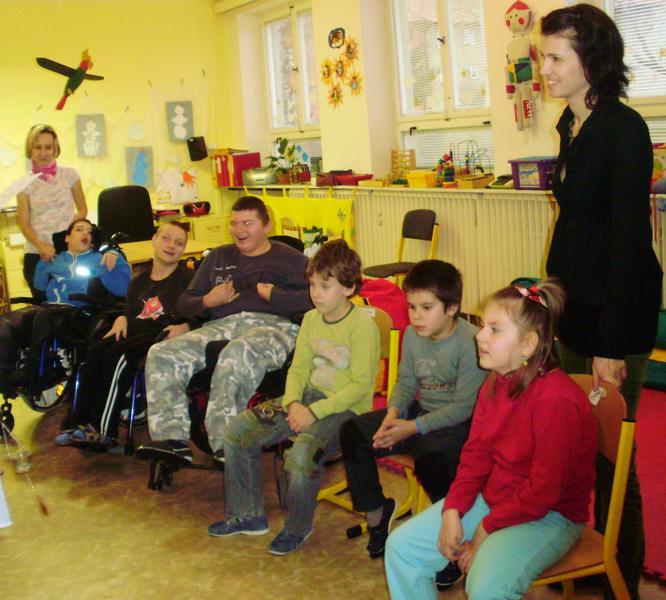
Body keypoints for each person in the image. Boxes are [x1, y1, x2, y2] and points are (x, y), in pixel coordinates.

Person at [540, 5, 662, 597]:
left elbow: (628, 245)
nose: (545, 68)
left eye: (555, 57)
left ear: (592, 59)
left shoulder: (624, 129)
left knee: (614, 462)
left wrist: (611, 346)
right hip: (575, 312)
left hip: (617, 318)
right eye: (543, 56)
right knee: (580, 447)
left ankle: (622, 583)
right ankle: (590, 560)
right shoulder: (571, 123)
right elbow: (578, 224)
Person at [384, 280, 598, 600]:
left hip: (551, 516)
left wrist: (486, 527)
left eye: (494, 330)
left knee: (485, 587)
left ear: (528, 344)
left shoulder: (557, 401)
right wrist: (453, 509)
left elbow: (544, 492)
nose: (480, 336)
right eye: (483, 326)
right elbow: (475, 455)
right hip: (496, 499)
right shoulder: (495, 382)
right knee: (402, 548)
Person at [207, 239, 380, 555]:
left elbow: (359, 387)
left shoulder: (362, 327)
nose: (316, 293)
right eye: (312, 284)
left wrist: (313, 413)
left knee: (300, 457)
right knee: (238, 431)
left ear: (349, 287)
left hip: (346, 410)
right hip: (306, 400)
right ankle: (247, 515)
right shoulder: (311, 319)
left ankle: (298, 528)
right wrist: (293, 403)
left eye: (325, 286)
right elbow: (298, 368)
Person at [136, 196, 312, 465]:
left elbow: (319, 297)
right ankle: (172, 440)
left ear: (267, 226)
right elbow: (185, 303)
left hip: (273, 326)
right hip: (221, 325)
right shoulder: (218, 256)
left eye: (247, 223)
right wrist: (208, 301)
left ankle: (226, 445)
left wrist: (276, 296)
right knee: (161, 353)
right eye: (234, 223)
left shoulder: (291, 259)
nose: (239, 230)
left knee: (236, 352)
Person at [339, 260, 485, 575]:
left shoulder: (471, 342)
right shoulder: (412, 334)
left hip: (458, 425)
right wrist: (392, 415)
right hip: (420, 414)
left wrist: (410, 428)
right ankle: (378, 515)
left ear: (451, 308)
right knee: (353, 433)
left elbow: (463, 407)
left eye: (426, 308)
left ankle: (455, 542)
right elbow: (405, 383)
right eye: (412, 307)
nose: (416, 316)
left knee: (432, 463)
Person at [54, 222, 194, 449]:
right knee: (95, 351)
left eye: (179, 243)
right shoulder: (139, 280)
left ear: (183, 249)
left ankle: (102, 430)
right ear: (154, 239)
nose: (171, 245)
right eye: (166, 238)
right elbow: (128, 311)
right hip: (135, 330)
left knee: (119, 355)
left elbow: (203, 312)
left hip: (161, 334)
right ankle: (76, 423)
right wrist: (121, 317)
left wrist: (187, 326)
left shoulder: (188, 279)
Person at [0, 218, 130, 389]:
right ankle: (6, 374)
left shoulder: (98, 259)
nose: (85, 233)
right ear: (67, 237)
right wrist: (44, 261)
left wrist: (116, 257)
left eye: (89, 232)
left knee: (44, 317)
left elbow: (122, 289)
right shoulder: (58, 259)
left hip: (77, 312)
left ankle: (32, 372)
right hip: (48, 308)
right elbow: (39, 285)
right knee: (7, 322)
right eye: (79, 229)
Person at [17, 124, 88, 298]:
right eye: (38, 147)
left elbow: (82, 209)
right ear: (30, 150)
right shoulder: (23, 184)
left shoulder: (70, 175)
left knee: (74, 305)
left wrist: (73, 230)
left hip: (68, 254)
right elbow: (24, 224)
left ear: (55, 149)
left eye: (48, 147)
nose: (43, 153)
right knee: (46, 310)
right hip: (38, 256)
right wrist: (41, 246)